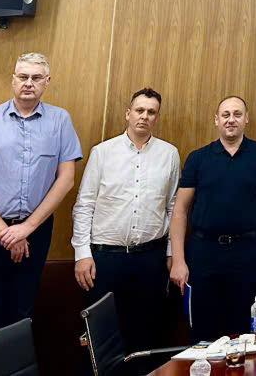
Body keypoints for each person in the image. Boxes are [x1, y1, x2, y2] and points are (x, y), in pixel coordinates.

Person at [0, 52, 82, 336]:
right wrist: (6, 233)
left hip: (36, 230)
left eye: (36, 78)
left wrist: (26, 229)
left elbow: (66, 180)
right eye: (22, 76)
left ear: (47, 82)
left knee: (21, 313)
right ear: (13, 80)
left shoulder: (60, 121)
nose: (28, 83)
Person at [71, 88, 179, 353]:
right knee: (101, 335)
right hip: (105, 259)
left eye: (151, 112)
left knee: (146, 334)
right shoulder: (102, 152)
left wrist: (171, 252)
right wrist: (82, 254)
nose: (144, 116)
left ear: (157, 117)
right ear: (128, 114)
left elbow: (173, 207)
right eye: (139, 110)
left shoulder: (169, 154)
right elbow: (84, 205)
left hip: (150, 259)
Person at [169, 96, 256, 341]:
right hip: (203, 254)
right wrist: (178, 260)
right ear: (216, 120)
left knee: (244, 332)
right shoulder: (198, 158)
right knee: (203, 331)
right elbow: (180, 210)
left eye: (237, 114)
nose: (231, 120)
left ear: (246, 119)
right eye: (226, 114)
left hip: (247, 254)